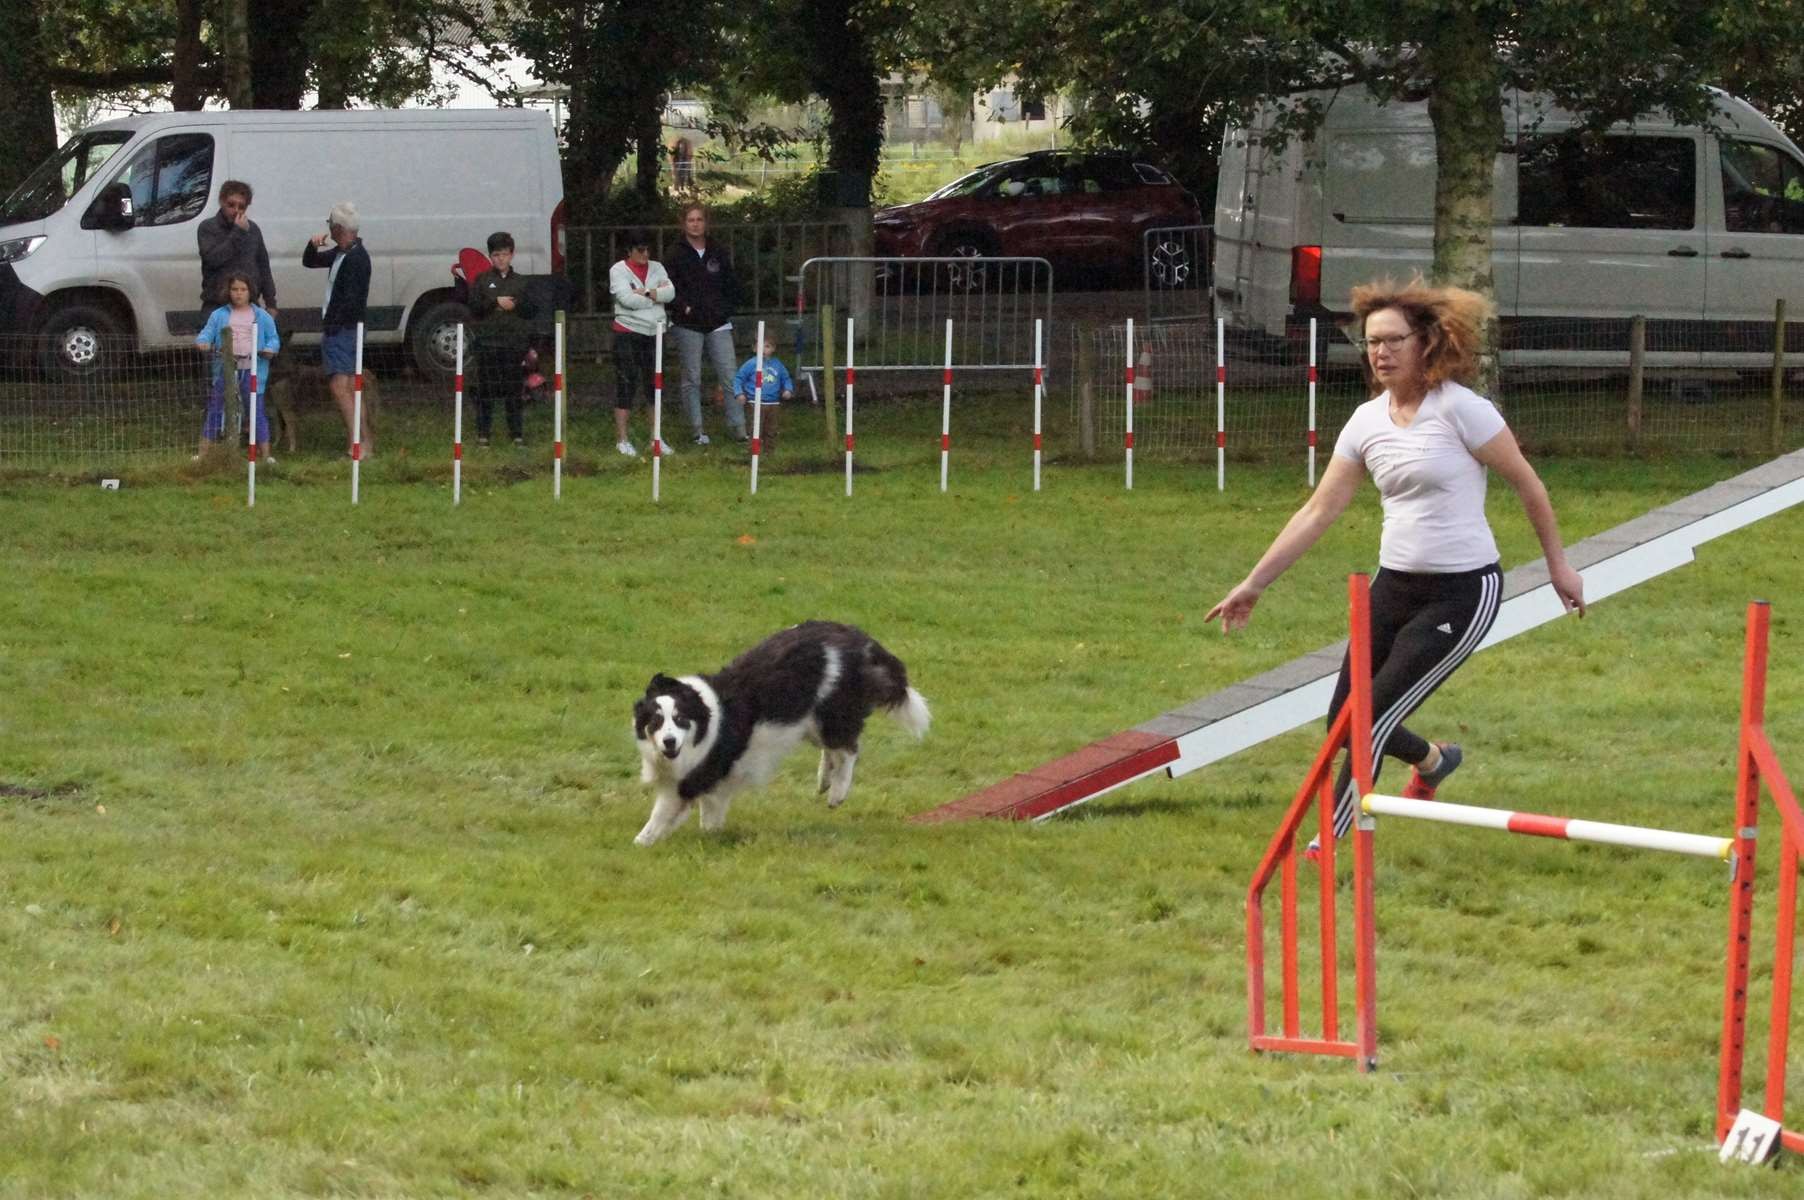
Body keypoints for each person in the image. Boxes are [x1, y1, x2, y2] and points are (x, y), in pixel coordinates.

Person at [1204, 278, 1586, 850]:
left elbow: (1530, 487)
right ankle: (1434, 761)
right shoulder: (1366, 422)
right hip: (1393, 586)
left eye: (1392, 341)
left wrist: (1559, 567)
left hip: (1462, 593)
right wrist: (1254, 583)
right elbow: (1318, 510)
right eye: (1371, 342)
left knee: (1373, 716)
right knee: (1343, 719)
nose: (1379, 353)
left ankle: (1327, 842)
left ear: (1425, 343)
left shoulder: (1462, 410)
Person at [663, 202, 744, 444]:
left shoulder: (717, 251)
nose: (695, 224)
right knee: (692, 377)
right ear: (683, 224)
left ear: (706, 223)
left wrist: (726, 309)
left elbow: (731, 284)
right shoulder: (675, 253)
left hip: (718, 322)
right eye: (691, 220)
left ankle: (739, 426)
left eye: (699, 219)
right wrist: (682, 307)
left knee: (730, 375)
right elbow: (667, 287)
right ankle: (697, 429)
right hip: (688, 324)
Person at [302, 202, 373, 457]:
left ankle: (357, 443)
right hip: (347, 328)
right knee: (352, 387)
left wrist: (333, 324)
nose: (329, 230)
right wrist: (313, 245)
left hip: (344, 330)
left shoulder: (356, 259)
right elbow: (310, 262)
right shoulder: (342, 253)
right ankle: (364, 443)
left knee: (340, 387)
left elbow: (352, 300)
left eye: (330, 225)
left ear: (338, 228)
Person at [193, 270, 280, 463]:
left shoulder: (261, 315)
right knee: (215, 408)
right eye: (234, 289)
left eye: (243, 289)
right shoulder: (219, 315)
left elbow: (274, 338)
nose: (238, 293)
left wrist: (269, 349)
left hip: (253, 369)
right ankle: (203, 454)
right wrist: (203, 342)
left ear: (250, 292)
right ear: (228, 291)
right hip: (226, 369)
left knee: (256, 410)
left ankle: (266, 455)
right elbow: (206, 334)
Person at [609, 229, 675, 458]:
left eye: (647, 249)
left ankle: (656, 438)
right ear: (629, 251)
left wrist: (645, 292)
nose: (645, 253)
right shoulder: (618, 270)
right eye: (640, 250)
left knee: (654, 386)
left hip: (655, 331)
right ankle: (622, 440)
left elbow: (671, 293)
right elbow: (625, 299)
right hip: (627, 331)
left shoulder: (657, 268)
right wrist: (655, 297)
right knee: (626, 384)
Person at [468, 230, 533, 447]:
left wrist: (516, 305)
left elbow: (531, 310)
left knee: (514, 391)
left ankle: (517, 434)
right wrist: (496, 302)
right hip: (487, 344)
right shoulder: (482, 281)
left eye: (504, 254)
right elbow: (474, 309)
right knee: (485, 391)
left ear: (512, 255)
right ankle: (483, 434)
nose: (501, 259)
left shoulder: (522, 282)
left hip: (513, 345)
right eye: (496, 255)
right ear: (490, 257)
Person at [196, 180, 277, 316]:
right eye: (231, 205)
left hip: (248, 305)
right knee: (222, 337)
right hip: (218, 306)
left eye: (241, 207)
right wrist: (238, 232)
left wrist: (270, 302)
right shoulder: (208, 227)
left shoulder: (253, 229)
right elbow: (213, 259)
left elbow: (263, 267)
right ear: (222, 202)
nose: (236, 211)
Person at [733, 334, 795, 452]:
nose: (763, 350)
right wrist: (739, 393)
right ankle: (753, 452)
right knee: (755, 429)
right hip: (754, 402)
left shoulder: (777, 364)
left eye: (767, 346)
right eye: (760, 346)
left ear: (773, 348)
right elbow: (739, 378)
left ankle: (769, 453)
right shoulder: (751, 364)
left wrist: (788, 389)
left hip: (773, 403)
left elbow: (786, 378)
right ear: (754, 348)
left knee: (771, 430)